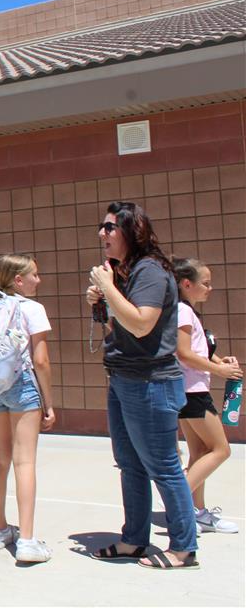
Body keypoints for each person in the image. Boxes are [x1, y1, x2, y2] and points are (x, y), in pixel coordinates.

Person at [86, 201, 198, 570]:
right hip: (123, 379)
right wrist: (102, 303)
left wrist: (108, 286)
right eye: (101, 227)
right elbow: (117, 330)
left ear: (132, 232)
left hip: (150, 383)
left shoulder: (149, 271)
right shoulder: (126, 273)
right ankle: (134, 539)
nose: (102, 233)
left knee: (164, 467)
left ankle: (183, 548)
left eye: (110, 227)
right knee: (130, 465)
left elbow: (141, 324)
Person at [0, 254, 56, 563]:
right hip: (21, 386)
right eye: (34, 274)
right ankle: (28, 540)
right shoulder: (32, 309)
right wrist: (49, 402)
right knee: (24, 463)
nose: (39, 279)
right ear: (18, 280)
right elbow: (41, 360)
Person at [172, 258, 241, 534]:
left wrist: (221, 362)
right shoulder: (182, 311)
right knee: (221, 449)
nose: (210, 289)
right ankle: (180, 507)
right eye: (206, 283)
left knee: (199, 452)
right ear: (187, 284)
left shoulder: (187, 311)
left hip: (190, 390)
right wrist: (218, 371)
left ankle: (197, 513)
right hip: (192, 392)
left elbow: (199, 351)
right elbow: (184, 354)